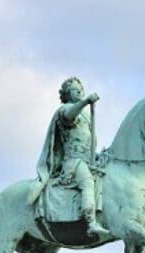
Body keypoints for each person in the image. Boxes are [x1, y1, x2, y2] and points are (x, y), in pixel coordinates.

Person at [30, 76, 110, 239]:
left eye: (81, 88)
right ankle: (91, 223)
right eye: (75, 89)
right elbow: (69, 116)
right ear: (67, 94)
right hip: (73, 162)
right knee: (87, 182)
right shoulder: (65, 110)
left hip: (86, 159)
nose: (80, 91)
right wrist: (85, 102)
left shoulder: (85, 116)